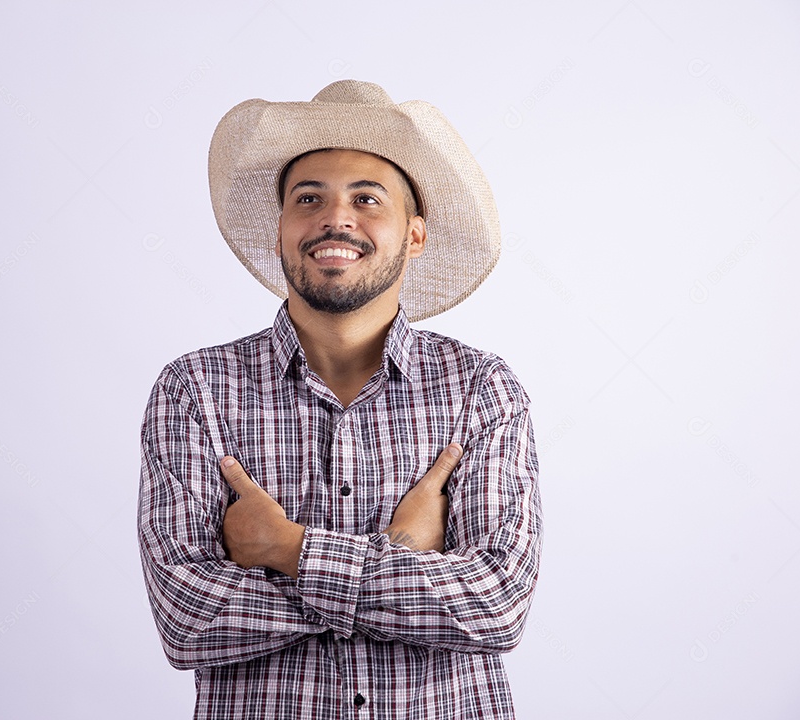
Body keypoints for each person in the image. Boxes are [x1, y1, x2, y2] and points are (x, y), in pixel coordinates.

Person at [138, 80, 542, 719]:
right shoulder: (195, 391)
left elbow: (495, 607)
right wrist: (402, 565)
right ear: (279, 230)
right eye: (309, 198)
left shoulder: (481, 389)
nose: (336, 218)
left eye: (366, 198)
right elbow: (188, 620)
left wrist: (288, 550)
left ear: (413, 235)